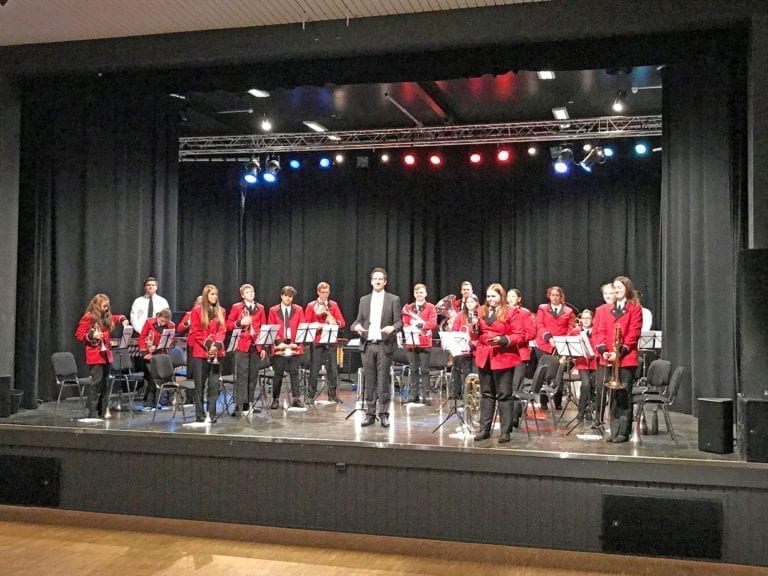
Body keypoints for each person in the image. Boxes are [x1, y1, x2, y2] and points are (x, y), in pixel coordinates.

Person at [472, 283, 526, 443]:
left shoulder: (511, 312)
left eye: (493, 296)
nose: (490, 299)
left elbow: (520, 334)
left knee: (504, 395)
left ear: (501, 297)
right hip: (484, 356)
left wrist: (503, 339)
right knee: (486, 394)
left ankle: (505, 431)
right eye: (488, 296)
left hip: (503, 356)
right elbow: (476, 335)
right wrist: (474, 329)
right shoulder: (481, 311)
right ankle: (484, 429)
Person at [592, 276, 643, 443]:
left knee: (623, 395)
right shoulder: (602, 310)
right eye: (615, 287)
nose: (617, 290)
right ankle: (613, 430)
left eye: (620, 287)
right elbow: (598, 332)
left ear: (627, 289)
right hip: (607, 358)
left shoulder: (635, 308)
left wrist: (618, 352)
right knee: (611, 395)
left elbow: (633, 334)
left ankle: (623, 431)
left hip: (625, 358)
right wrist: (604, 351)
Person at [351, 267, 402, 428]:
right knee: (370, 381)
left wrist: (392, 328)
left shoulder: (393, 299)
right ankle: (370, 413)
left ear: (385, 281)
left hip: (384, 346)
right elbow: (356, 321)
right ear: (371, 281)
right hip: (368, 345)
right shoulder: (364, 300)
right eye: (375, 279)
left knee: (383, 381)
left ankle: (384, 413)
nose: (377, 281)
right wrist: (357, 327)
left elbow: (399, 322)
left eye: (380, 279)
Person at [74, 294, 130, 418]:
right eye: (104, 306)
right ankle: (92, 411)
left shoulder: (106, 316)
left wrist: (123, 319)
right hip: (95, 353)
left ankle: (103, 410)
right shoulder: (89, 317)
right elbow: (79, 334)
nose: (106, 308)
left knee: (105, 383)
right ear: (97, 305)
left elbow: (115, 317)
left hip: (106, 354)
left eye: (107, 305)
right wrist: (92, 335)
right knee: (96, 383)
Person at [226, 284, 267, 416]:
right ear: (243, 295)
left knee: (253, 376)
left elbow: (263, 327)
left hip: (255, 345)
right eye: (248, 292)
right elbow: (228, 324)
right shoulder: (237, 307)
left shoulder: (260, 308)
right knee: (242, 376)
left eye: (252, 292)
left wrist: (263, 347)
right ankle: (239, 404)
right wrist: (240, 323)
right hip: (242, 344)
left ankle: (249, 404)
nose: (251, 294)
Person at [188, 284, 227, 423]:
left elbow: (222, 330)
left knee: (214, 385)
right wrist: (209, 345)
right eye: (212, 294)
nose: (215, 297)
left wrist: (217, 345)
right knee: (199, 386)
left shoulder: (221, 311)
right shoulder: (197, 311)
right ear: (206, 296)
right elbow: (196, 332)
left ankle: (211, 413)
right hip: (201, 353)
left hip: (216, 353)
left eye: (216, 294)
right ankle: (200, 414)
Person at [535, 285, 576, 410]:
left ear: (561, 297)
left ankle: (557, 401)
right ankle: (543, 401)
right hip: (544, 345)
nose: (554, 297)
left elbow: (570, 328)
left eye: (557, 295)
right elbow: (539, 325)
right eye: (552, 295)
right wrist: (549, 337)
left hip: (560, 346)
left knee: (559, 373)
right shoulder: (542, 309)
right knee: (545, 373)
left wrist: (562, 341)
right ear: (549, 296)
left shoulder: (568, 311)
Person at [304, 282, 346, 403]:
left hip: (331, 340)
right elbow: (306, 323)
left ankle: (332, 395)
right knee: (314, 369)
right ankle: (310, 396)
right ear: (318, 292)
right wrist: (317, 325)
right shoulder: (311, 306)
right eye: (323, 292)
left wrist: (335, 322)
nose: (325, 295)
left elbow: (342, 322)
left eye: (327, 292)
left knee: (333, 369)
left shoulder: (333, 305)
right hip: (317, 341)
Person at [267, 286, 306, 409]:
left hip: (294, 345)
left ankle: (296, 399)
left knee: (295, 372)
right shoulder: (273, 310)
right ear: (281, 296)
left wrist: (296, 343)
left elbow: (302, 327)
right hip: (280, 347)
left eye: (290, 296)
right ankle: (275, 399)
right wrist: (279, 343)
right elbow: (271, 327)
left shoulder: (298, 309)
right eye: (286, 296)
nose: (288, 299)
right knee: (278, 373)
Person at [402, 283, 438, 405]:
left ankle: (426, 395)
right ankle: (413, 395)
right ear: (414, 294)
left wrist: (422, 325)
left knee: (424, 370)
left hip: (425, 342)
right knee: (413, 370)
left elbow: (433, 323)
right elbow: (405, 322)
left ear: (426, 294)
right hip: (412, 342)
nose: (419, 294)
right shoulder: (409, 307)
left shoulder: (431, 307)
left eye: (421, 292)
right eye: (417, 292)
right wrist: (410, 326)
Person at [138, 308, 176, 408]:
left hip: (161, 354)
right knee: (151, 377)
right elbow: (142, 337)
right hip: (149, 354)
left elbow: (172, 340)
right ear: (158, 317)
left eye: (165, 322)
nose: (163, 323)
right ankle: (149, 402)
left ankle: (159, 401)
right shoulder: (149, 322)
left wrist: (169, 342)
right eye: (162, 321)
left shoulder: (171, 325)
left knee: (161, 378)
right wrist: (145, 351)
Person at [449, 294, 479, 399]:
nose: (470, 304)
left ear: (476, 303)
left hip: (476, 350)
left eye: (472, 302)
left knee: (474, 375)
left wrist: (473, 343)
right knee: (465, 373)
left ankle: (474, 396)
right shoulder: (460, 315)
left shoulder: (480, 315)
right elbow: (454, 331)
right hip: (463, 349)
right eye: (468, 302)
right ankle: (464, 396)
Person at [506, 289, 537, 392]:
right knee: (505, 385)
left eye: (513, 296)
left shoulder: (525, 313)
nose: (510, 299)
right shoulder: (502, 312)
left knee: (516, 386)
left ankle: (516, 407)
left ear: (519, 298)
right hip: (505, 353)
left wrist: (517, 339)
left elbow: (531, 333)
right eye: (508, 296)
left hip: (520, 352)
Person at [570, 309, 598, 421]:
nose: (586, 320)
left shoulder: (597, 331)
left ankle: (591, 410)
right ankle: (581, 411)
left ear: (593, 319)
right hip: (582, 363)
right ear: (580, 320)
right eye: (584, 318)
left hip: (595, 362)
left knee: (594, 386)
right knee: (585, 384)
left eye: (588, 318)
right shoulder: (575, 332)